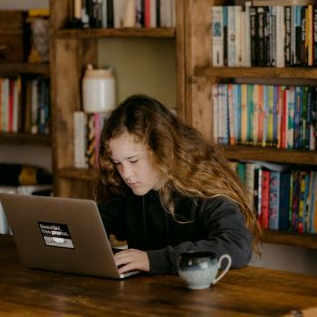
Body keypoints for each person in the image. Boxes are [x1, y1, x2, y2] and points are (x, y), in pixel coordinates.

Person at [97, 94, 262, 275]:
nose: (126, 174)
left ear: (162, 150)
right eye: (117, 163)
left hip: (202, 297)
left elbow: (236, 245)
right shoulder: (123, 188)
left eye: (134, 160)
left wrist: (151, 260)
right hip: (145, 296)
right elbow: (95, 226)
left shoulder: (204, 187)